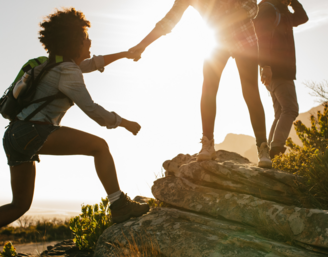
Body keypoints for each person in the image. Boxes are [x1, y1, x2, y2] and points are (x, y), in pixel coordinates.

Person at [0, 8, 149, 245]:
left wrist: (124, 54)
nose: (90, 43)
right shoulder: (67, 71)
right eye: (86, 38)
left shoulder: (51, 64)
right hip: (33, 132)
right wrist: (124, 122)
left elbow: (90, 63)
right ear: (76, 42)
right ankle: (119, 204)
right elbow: (92, 110)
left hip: (14, 135)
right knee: (99, 146)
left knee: (19, 205)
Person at [128, 0, 273, 168]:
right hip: (217, 40)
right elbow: (169, 20)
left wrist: (223, 21)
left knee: (250, 91)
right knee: (209, 88)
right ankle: (207, 143)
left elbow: (251, 7)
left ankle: (263, 147)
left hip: (243, 36)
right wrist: (143, 45)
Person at [254, 0, 308, 159]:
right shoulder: (267, 8)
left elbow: (302, 18)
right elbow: (262, 38)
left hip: (277, 70)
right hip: (277, 70)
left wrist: (293, 2)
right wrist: (265, 65)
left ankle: (270, 151)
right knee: (290, 109)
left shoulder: (283, 13)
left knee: (280, 113)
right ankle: (275, 149)